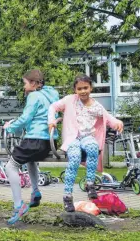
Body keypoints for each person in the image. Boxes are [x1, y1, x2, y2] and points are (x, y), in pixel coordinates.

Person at [48, 74, 123, 212]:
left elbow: (108, 118)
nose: (83, 91)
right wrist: (51, 120)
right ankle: (67, 196)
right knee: (75, 158)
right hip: (72, 139)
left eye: (85, 88)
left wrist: (117, 123)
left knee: (93, 147)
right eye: (79, 88)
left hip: (87, 137)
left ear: (91, 88)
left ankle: (90, 183)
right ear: (75, 90)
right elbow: (53, 107)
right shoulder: (70, 100)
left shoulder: (96, 106)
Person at [3, 70, 60, 225]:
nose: (24, 86)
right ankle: (35, 192)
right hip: (49, 141)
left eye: (25, 83)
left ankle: (18, 206)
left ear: (34, 84)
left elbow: (26, 118)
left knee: (10, 167)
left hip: (35, 139)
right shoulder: (50, 94)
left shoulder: (33, 96)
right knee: (30, 160)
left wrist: (9, 127)